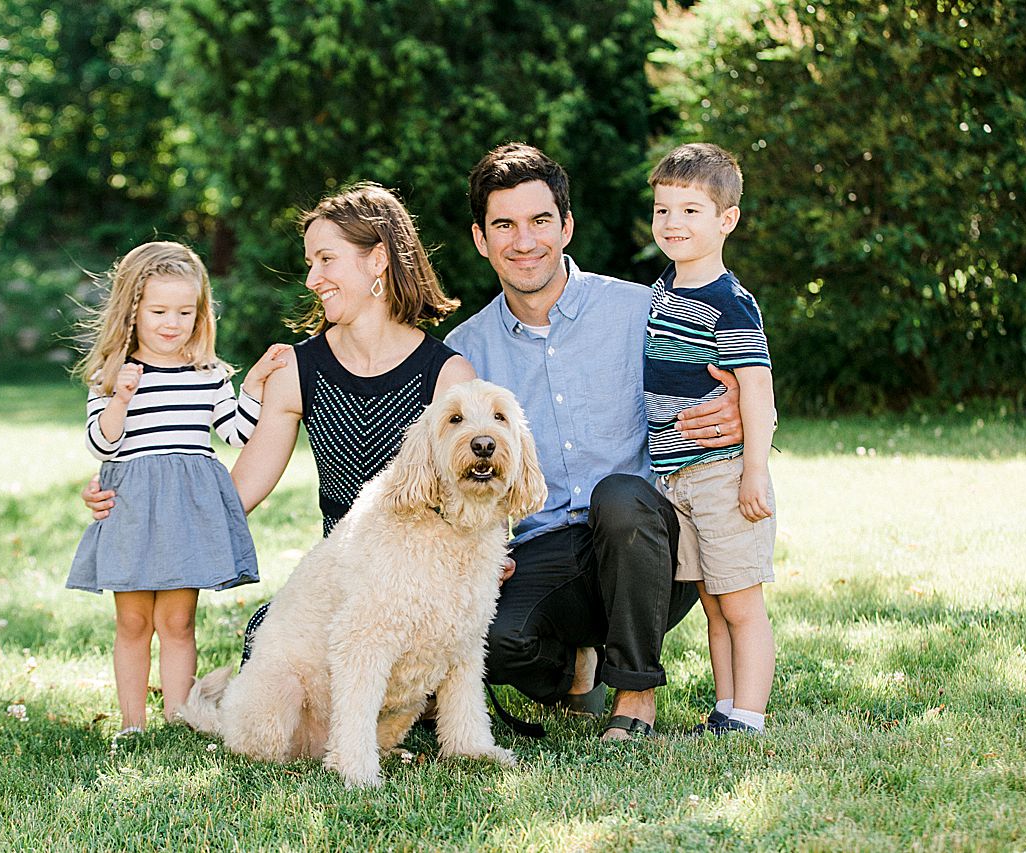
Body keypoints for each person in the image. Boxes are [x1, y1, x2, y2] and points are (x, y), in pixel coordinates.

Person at [82, 184, 477, 665]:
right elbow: (234, 495)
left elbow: (475, 503)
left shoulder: (448, 376)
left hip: (424, 584)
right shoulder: (297, 368)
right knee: (264, 641)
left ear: (378, 260)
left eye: (326, 259)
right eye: (311, 262)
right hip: (342, 577)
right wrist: (130, 500)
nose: (312, 279)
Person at [444, 143, 745, 740]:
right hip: (548, 546)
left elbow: (741, 375)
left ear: (566, 226)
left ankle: (634, 697)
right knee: (499, 646)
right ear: (481, 239)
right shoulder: (466, 353)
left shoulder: (646, 310)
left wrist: (740, 412)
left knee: (620, 496)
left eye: (540, 221)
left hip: (652, 545)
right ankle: (578, 671)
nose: (524, 241)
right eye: (504, 225)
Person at [66, 240, 285, 738]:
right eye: (159, 310)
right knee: (133, 623)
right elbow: (101, 442)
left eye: (185, 311)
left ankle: (180, 718)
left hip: (186, 514)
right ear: (133, 311)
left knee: (179, 623)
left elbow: (234, 432)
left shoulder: (207, 375)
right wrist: (121, 396)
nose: (172, 322)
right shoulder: (111, 376)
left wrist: (251, 386)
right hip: (132, 510)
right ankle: (133, 723)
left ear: (200, 312)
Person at [645, 143, 777, 735]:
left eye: (691, 211)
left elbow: (757, 394)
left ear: (727, 220)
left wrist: (753, 472)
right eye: (663, 210)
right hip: (677, 480)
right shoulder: (660, 293)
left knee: (742, 603)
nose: (673, 223)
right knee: (714, 605)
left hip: (722, 474)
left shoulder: (730, 303)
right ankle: (725, 709)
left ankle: (749, 714)